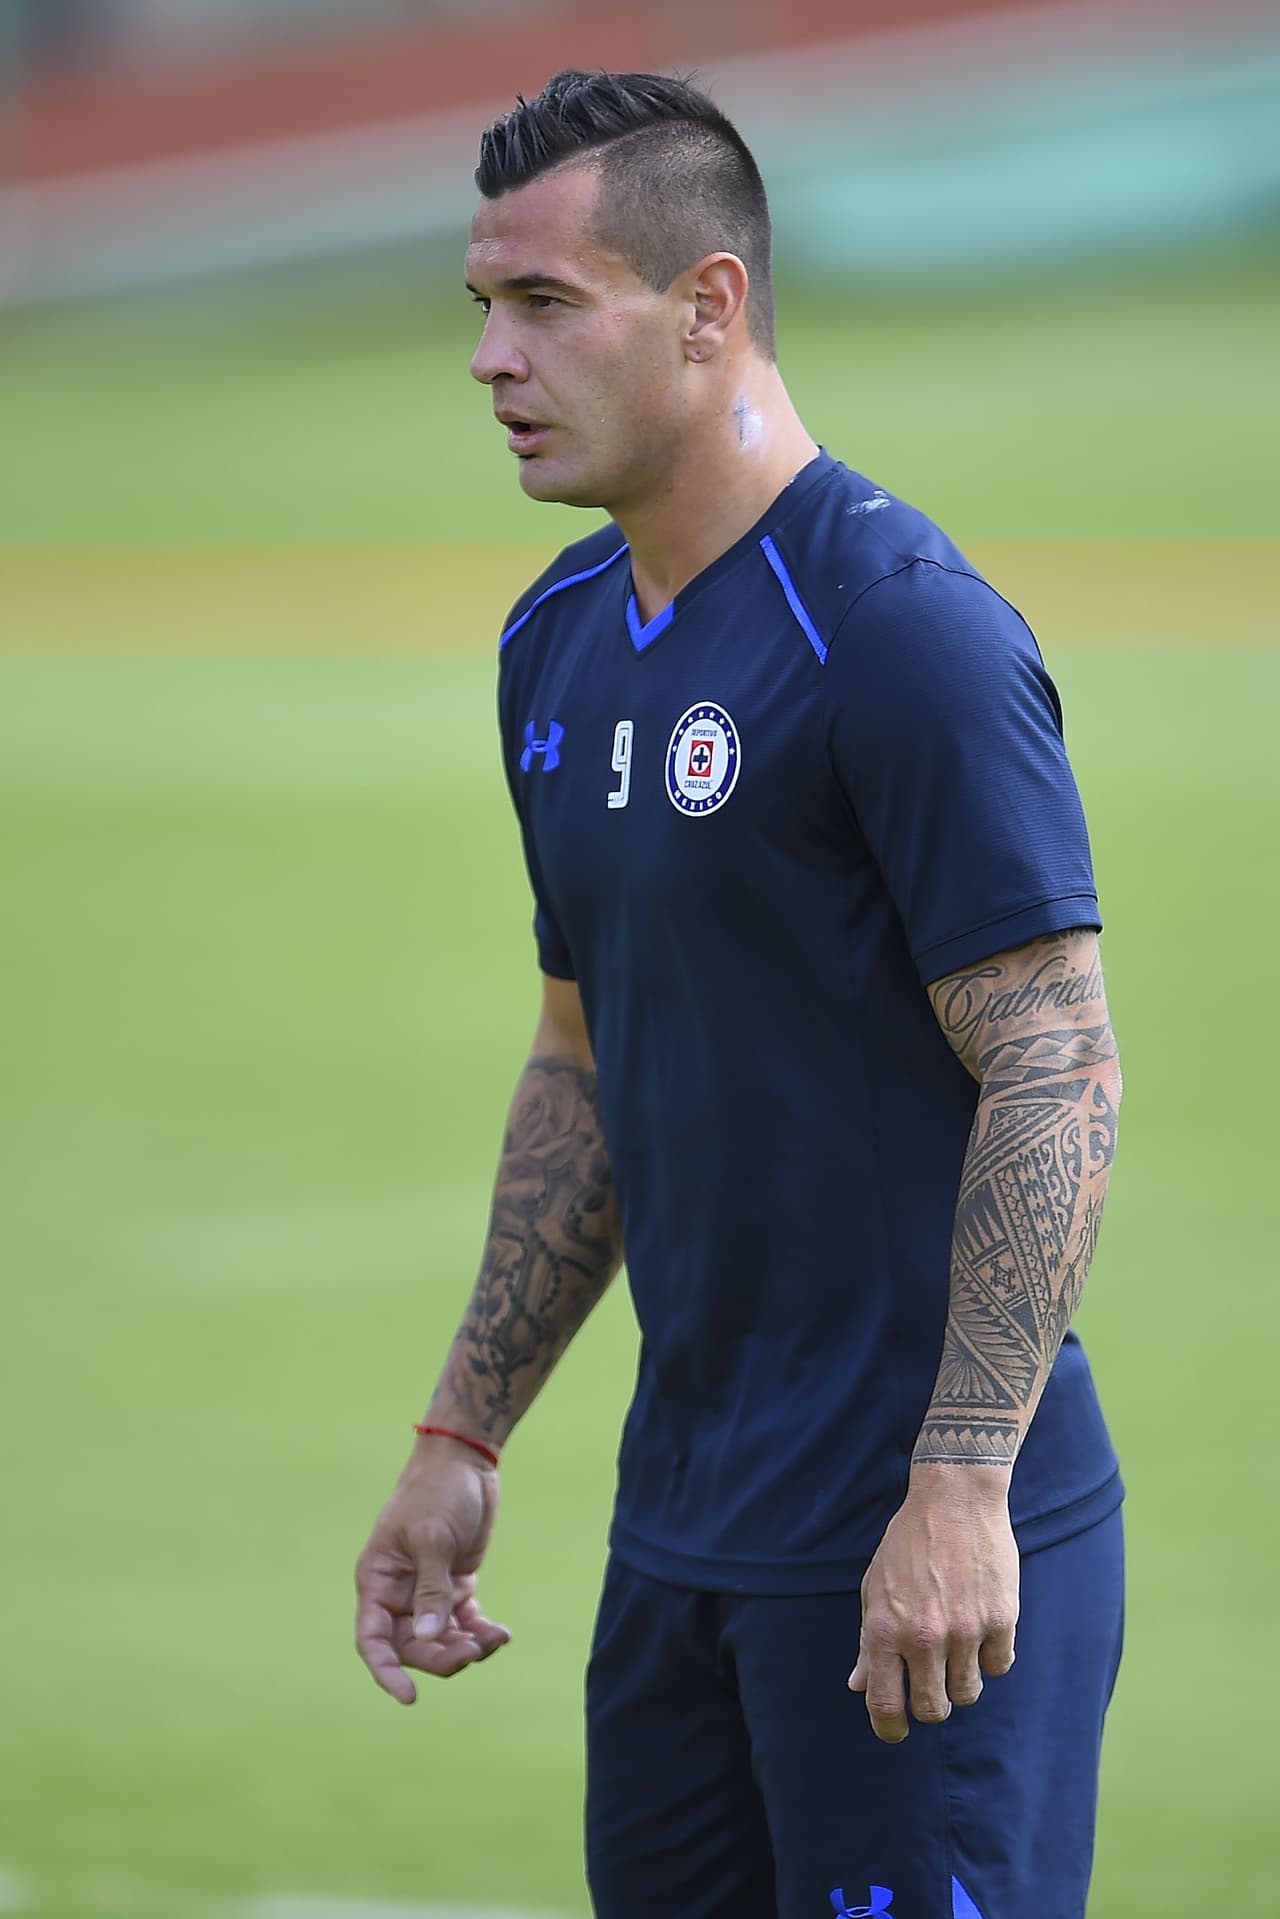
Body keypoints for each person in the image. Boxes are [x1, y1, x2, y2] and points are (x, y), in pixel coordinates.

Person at [355, 69, 1124, 1919]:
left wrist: (960, 1492)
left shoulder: (900, 630)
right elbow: (584, 1059)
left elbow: (1057, 1067)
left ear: (709, 307)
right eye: (485, 305)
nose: (492, 357)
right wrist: (463, 1433)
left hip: (916, 1554)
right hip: (681, 1535)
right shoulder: (556, 639)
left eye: (547, 303)